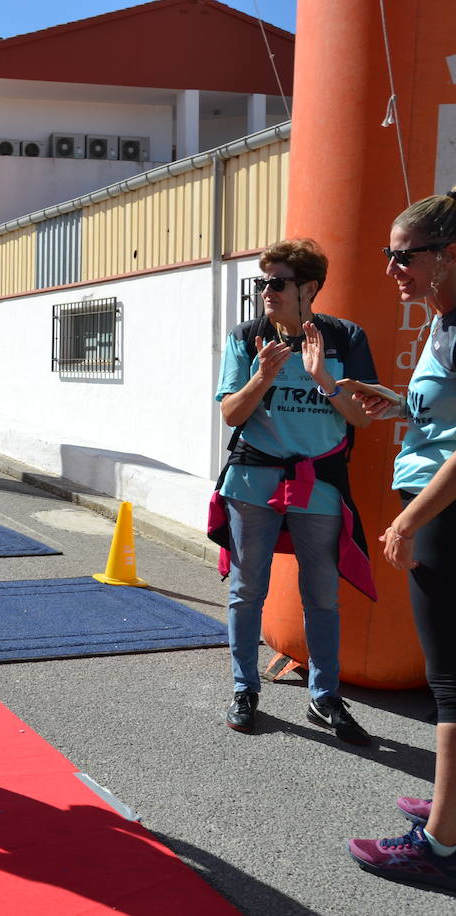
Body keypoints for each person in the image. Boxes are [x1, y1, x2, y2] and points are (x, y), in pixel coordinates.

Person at [208, 238, 378, 743]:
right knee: (246, 592)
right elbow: (230, 414)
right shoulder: (247, 337)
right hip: (253, 482)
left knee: (322, 596)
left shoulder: (345, 338)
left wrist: (322, 376)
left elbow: (361, 419)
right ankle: (245, 688)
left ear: (309, 288)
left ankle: (324, 698)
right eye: (262, 282)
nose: (266, 291)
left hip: (319, 484)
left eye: (276, 283)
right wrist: (262, 377)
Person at [348, 189, 456, 889]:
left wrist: (408, 521)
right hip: (430, 504)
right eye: (388, 255)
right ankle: (452, 806)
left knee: (449, 683)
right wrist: (393, 400)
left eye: (403, 255)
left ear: (450, 255)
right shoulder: (441, 320)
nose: (391, 269)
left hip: (442, 514)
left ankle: (440, 843)